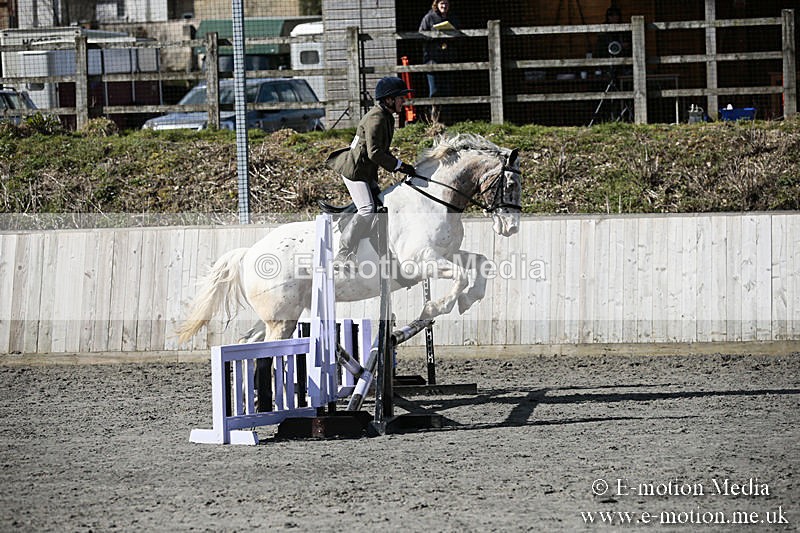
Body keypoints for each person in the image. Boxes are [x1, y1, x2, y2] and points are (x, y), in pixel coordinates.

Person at [326, 76, 416, 266]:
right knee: (367, 209)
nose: (404, 101)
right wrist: (399, 165)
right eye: (401, 98)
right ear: (389, 99)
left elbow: (381, 150)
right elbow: (375, 153)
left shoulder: (386, 117)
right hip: (355, 170)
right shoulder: (376, 118)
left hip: (365, 170)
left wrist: (401, 166)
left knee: (381, 205)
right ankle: (342, 254)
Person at [419, 0, 459, 119]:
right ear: (436, 4)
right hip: (433, 60)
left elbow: (460, 35)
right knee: (434, 91)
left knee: (448, 90)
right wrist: (435, 36)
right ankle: (435, 120)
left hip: (448, 59)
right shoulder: (429, 18)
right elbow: (420, 35)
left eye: (446, 3)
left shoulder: (453, 18)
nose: (444, 6)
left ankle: (447, 119)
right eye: (442, 3)